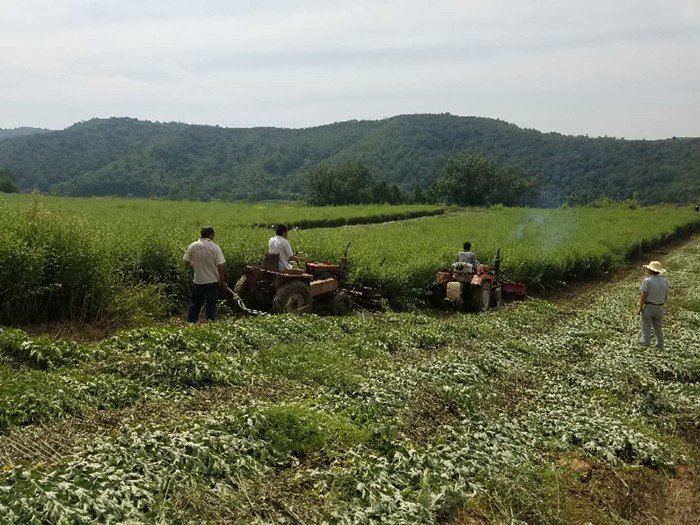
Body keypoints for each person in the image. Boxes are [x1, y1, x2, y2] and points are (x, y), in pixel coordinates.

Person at [183, 226, 227, 322]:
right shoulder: (215, 248)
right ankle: (210, 324)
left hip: (198, 281)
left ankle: (191, 323)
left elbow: (186, 261)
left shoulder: (193, 246)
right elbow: (221, 265)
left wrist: (193, 265)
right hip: (212, 282)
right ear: (211, 235)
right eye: (213, 235)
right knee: (211, 305)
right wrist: (222, 281)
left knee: (195, 304)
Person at [637, 260, 669, 350]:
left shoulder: (648, 281)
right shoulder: (665, 281)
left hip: (649, 307)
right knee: (658, 329)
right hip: (660, 307)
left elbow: (644, 296)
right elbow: (665, 296)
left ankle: (645, 347)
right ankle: (660, 347)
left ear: (651, 270)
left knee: (646, 329)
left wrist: (640, 308)